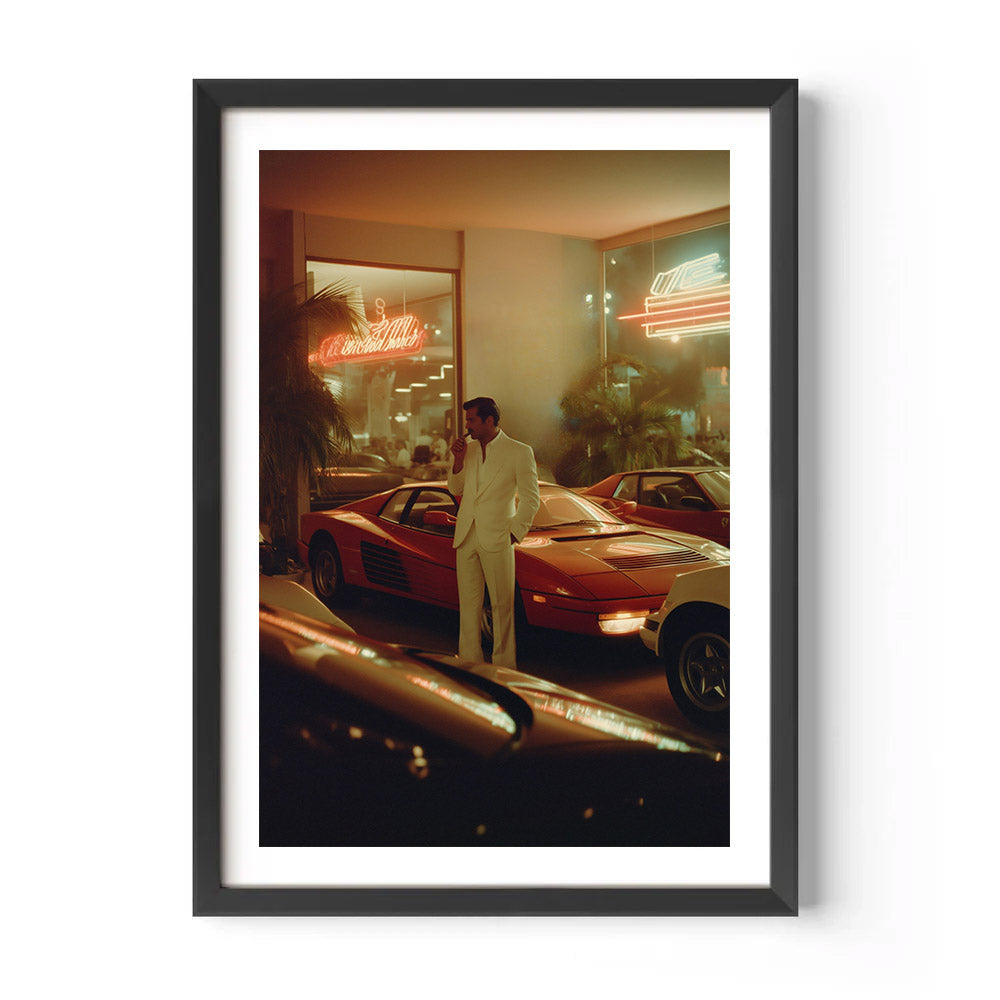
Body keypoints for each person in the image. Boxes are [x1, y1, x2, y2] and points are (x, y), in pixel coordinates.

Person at [448, 396, 540, 668]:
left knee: (502, 607)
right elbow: (456, 489)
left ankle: (504, 666)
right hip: (466, 535)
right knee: (468, 606)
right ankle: (469, 662)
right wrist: (457, 461)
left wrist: (514, 533)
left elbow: (531, 498)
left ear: (490, 420)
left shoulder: (519, 451)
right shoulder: (469, 450)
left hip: (499, 536)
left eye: (472, 419)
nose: (467, 425)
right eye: (467, 420)